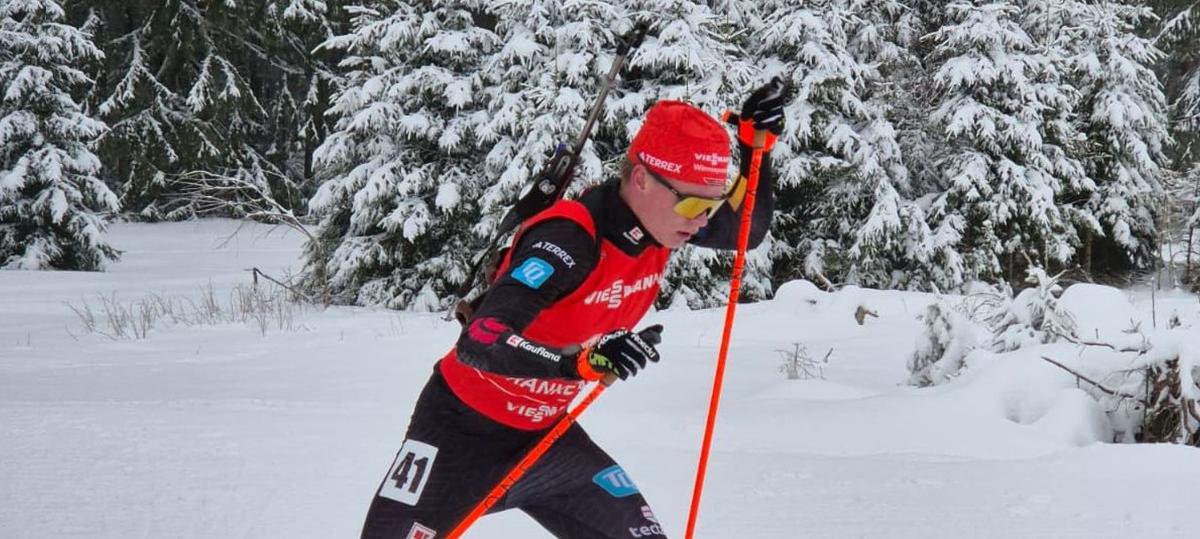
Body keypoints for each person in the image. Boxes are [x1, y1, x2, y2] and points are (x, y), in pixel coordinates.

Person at [360, 78, 787, 539]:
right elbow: (480, 339)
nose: (701, 221)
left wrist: (755, 149)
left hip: (546, 443)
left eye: (710, 205)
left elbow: (745, 230)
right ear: (641, 179)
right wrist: (576, 363)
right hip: (460, 435)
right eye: (692, 204)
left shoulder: (661, 224)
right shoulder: (569, 239)